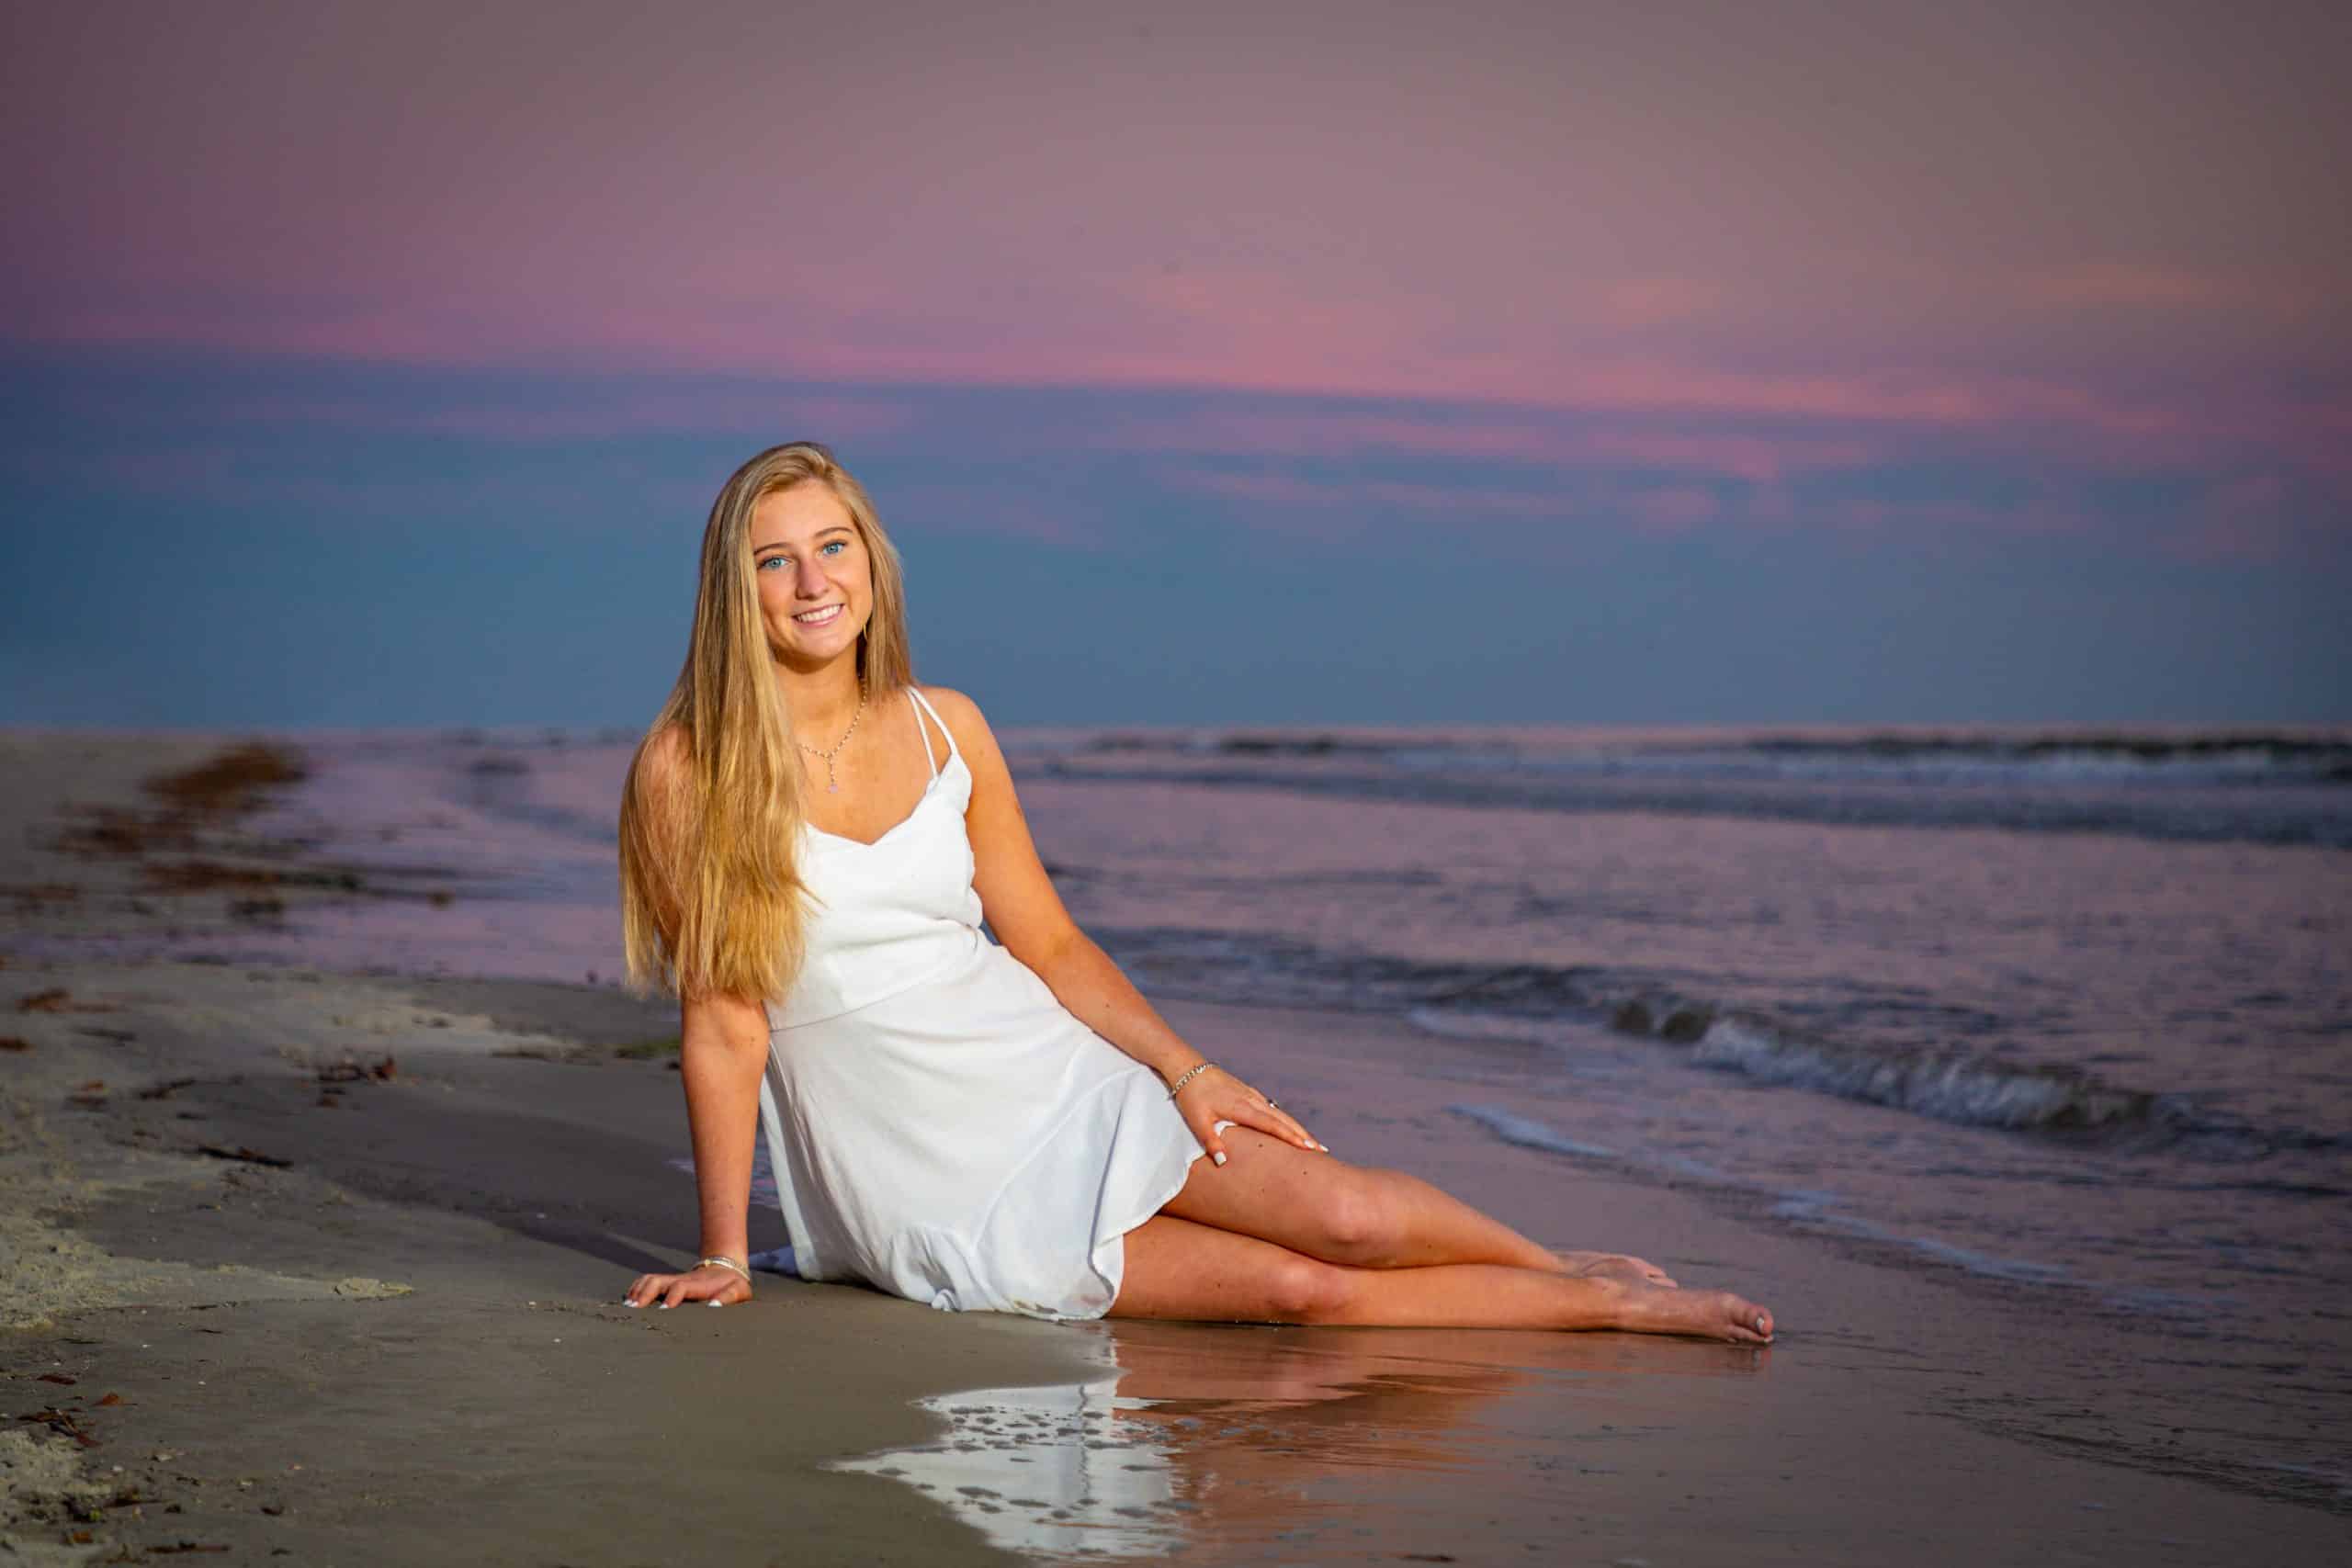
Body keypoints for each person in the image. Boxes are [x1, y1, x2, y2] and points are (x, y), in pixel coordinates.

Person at [615, 442, 1774, 1344]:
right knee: (1295, 1289)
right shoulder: (689, 768)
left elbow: (1051, 945)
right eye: (776, 559)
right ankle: (1613, 1312)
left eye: (836, 546)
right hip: (917, 1167)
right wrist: (725, 1253)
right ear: (738, 587)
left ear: (873, 559)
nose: (815, 583)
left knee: (1349, 1218)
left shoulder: (946, 725)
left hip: (1044, 1075)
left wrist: (1189, 1072)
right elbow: (723, 1024)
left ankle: (1562, 1268)